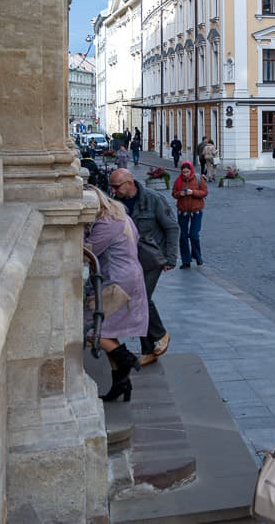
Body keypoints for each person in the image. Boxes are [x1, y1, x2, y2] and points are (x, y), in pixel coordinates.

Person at [109, 168, 180, 367]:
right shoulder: (115, 203)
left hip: (152, 258)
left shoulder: (152, 199)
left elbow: (172, 227)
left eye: (117, 187)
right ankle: (149, 350)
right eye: (112, 187)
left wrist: (170, 258)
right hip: (129, 260)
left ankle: (160, 334)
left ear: (129, 183)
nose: (113, 191)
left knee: (141, 299)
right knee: (135, 302)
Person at [84, 186, 149, 403]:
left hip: (118, 281)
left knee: (88, 326)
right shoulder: (121, 216)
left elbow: (88, 251)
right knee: (109, 330)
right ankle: (121, 383)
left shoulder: (106, 223)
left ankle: (126, 359)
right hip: (129, 277)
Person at [171, 161, 208, 267]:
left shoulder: (198, 178)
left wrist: (193, 192)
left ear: (191, 171)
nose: (185, 174)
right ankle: (186, 261)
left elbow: (204, 192)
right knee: (183, 236)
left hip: (196, 211)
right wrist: (180, 194)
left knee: (193, 235)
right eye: (183, 172)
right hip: (182, 212)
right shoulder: (178, 180)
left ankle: (197, 255)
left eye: (187, 172)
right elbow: (174, 193)